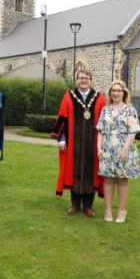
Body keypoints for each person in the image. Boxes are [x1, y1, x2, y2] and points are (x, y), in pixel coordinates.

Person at [52, 69, 107, 217]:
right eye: (81, 78)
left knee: (92, 173)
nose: (84, 80)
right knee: (72, 172)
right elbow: (62, 118)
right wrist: (61, 138)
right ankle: (75, 205)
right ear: (77, 80)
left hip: (93, 144)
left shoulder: (99, 98)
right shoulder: (69, 96)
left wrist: (104, 143)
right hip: (73, 144)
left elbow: (104, 122)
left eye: (87, 78)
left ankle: (88, 206)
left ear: (91, 80)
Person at [96, 80, 140, 223]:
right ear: (110, 93)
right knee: (108, 179)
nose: (115, 93)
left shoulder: (130, 110)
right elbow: (100, 131)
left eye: (118, 90)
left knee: (122, 180)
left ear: (124, 93)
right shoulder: (105, 110)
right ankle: (108, 209)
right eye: (113, 90)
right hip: (108, 150)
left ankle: (122, 211)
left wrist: (125, 149)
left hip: (124, 150)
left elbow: (132, 131)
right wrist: (98, 148)